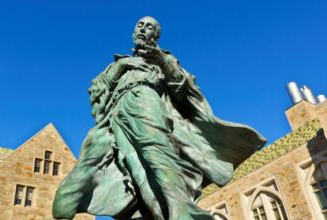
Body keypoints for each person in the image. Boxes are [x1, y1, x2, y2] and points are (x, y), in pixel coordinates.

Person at [53, 16, 266, 220]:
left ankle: (182, 212)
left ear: (155, 35)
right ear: (134, 31)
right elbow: (97, 93)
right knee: (94, 159)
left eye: (150, 27)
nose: (143, 29)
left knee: (155, 155)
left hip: (145, 103)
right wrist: (120, 67)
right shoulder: (118, 63)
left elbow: (183, 88)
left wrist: (161, 60)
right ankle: (64, 208)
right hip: (113, 118)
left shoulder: (162, 59)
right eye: (140, 25)